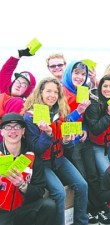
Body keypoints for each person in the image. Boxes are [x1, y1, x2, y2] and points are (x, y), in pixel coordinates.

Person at [21, 77, 88, 225]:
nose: (52, 95)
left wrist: (67, 141)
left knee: (82, 185)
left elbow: (67, 148)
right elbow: (36, 149)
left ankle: (81, 222)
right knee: (59, 192)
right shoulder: (30, 116)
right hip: (42, 162)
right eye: (48, 91)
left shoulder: (62, 114)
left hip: (59, 158)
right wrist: (47, 134)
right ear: (40, 93)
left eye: (56, 92)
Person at [62, 61, 110, 224]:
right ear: (69, 73)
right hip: (71, 144)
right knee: (82, 178)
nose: (79, 77)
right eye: (76, 73)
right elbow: (60, 123)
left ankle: (99, 208)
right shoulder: (61, 93)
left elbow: (84, 117)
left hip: (84, 139)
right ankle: (87, 211)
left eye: (83, 74)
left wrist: (83, 127)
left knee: (93, 175)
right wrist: (78, 112)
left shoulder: (83, 91)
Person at [0, 113, 56, 225]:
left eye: (17, 127)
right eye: (8, 127)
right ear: (2, 132)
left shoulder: (32, 155)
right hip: (2, 212)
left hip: (23, 209)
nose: (13, 131)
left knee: (48, 205)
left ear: (23, 131)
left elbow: (39, 191)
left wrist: (23, 185)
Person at [84, 74, 110, 177]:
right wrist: (108, 114)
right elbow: (95, 130)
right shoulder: (93, 104)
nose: (108, 89)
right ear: (100, 87)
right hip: (97, 144)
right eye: (105, 86)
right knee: (106, 172)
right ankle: (105, 192)